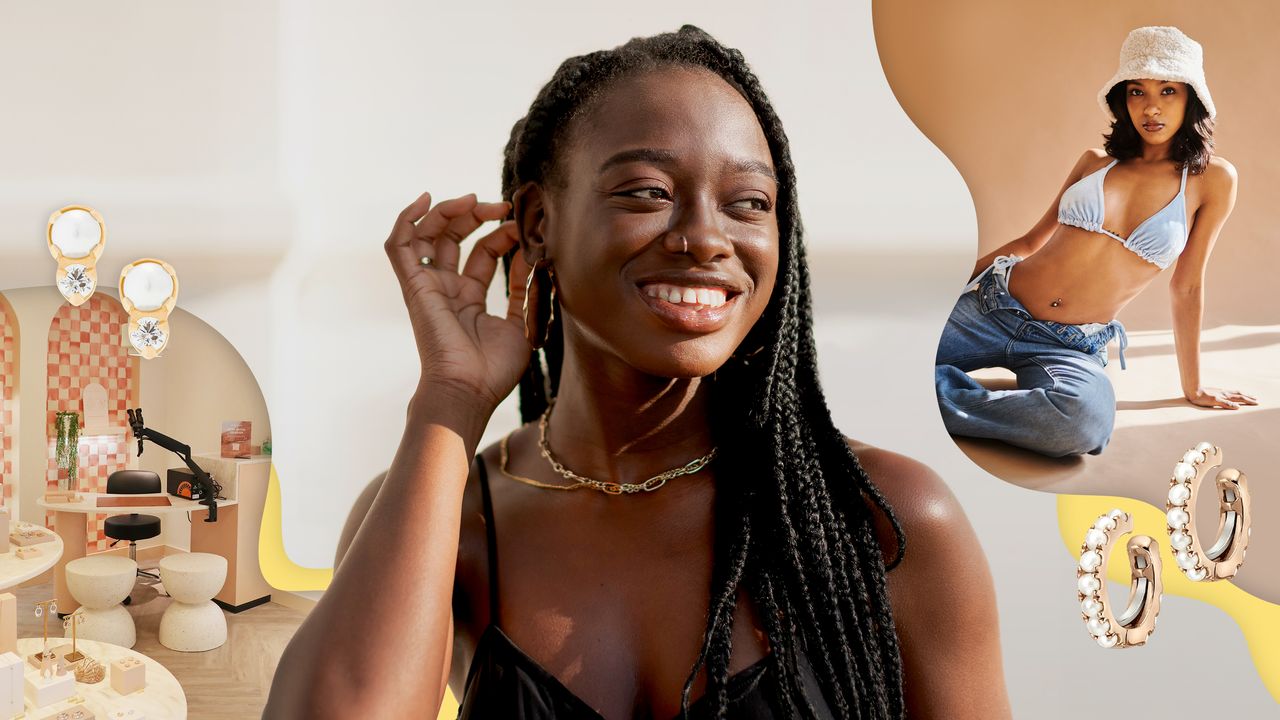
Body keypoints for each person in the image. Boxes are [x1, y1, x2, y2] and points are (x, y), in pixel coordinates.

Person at [265, 25, 1009, 719]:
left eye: (748, 203)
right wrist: (449, 401)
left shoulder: (882, 520)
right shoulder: (444, 517)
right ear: (537, 224)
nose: (704, 238)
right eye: (648, 192)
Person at [935, 26, 1257, 458]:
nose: (1151, 107)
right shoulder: (1094, 164)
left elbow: (1188, 285)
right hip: (992, 306)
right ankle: (914, 379)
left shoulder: (1211, 180)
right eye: (1137, 92)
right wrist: (935, 294)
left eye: (1167, 91)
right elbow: (1029, 241)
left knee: (1083, 423)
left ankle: (923, 390)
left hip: (1069, 345)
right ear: (1123, 100)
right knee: (871, 348)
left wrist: (1192, 386)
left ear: (1191, 99)